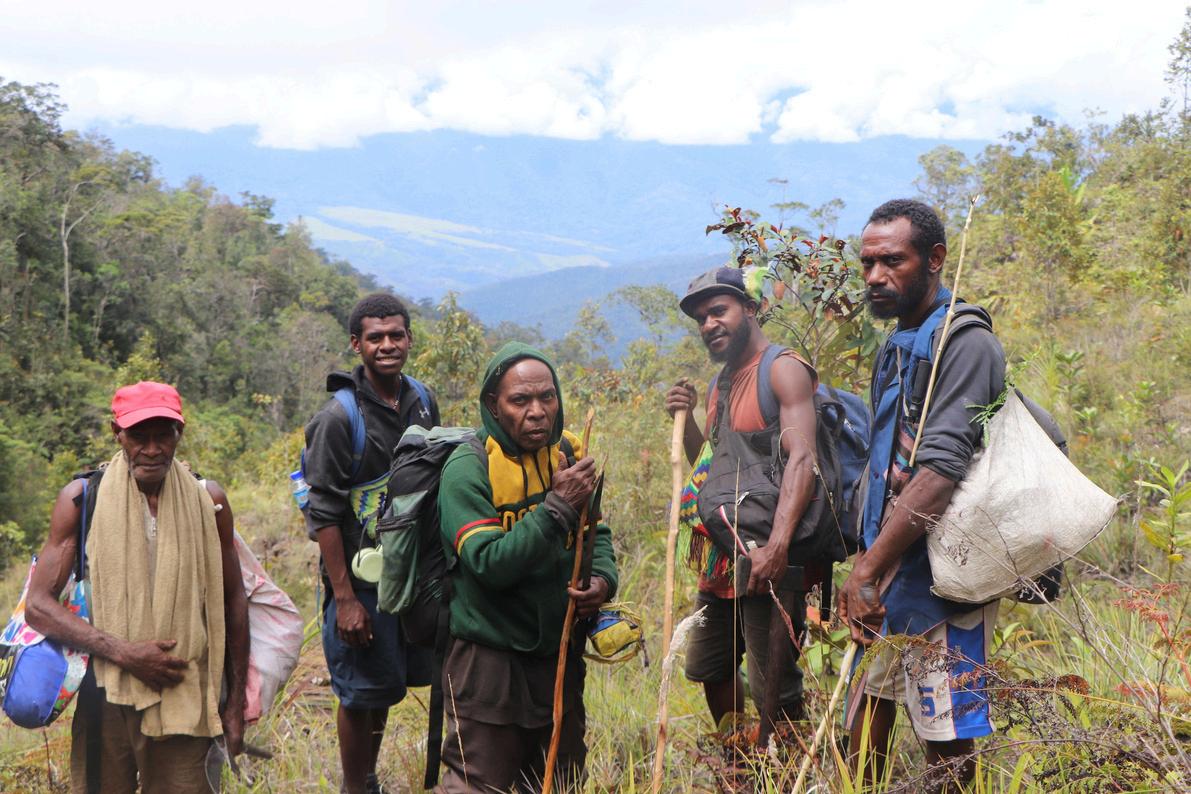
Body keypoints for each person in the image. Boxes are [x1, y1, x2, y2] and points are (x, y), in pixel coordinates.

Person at [838, 199, 1004, 791]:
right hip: (888, 566)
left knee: (946, 739)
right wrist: (868, 561)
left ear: (934, 259)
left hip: (940, 573)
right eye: (867, 263)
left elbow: (938, 471)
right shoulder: (900, 341)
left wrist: (866, 570)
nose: (875, 276)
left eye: (892, 261)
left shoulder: (965, 342)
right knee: (862, 717)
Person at [26, 380, 249, 794]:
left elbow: (233, 601)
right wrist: (124, 653)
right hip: (104, 697)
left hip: (186, 694)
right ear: (118, 434)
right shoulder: (82, 500)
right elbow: (37, 605)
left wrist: (235, 706)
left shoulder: (208, 502)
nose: (152, 449)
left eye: (163, 435)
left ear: (179, 433)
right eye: (138, 437)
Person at [434, 342, 618, 793]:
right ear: (494, 405)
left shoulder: (568, 453)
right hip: (489, 659)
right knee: (480, 783)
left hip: (558, 654)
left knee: (559, 779)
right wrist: (557, 507)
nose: (538, 412)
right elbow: (489, 564)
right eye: (520, 400)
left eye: (547, 397)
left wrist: (601, 580)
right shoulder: (468, 468)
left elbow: (594, 533)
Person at [665, 266, 820, 732]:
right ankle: (736, 759)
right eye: (701, 318)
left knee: (773, 685)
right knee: (709, 666)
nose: (709, 324)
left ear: (750, 309)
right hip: (724, 554)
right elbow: (713, 467)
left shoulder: (783, 369)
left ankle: (782, 761)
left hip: (768, 554)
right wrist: (687, 420)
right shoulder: (721, 384)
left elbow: (803, 460)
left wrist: (778, 547)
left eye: (719, 311)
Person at [303, 293, 440, 794]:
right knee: (359, 694)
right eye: (375, 337)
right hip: (361, 583)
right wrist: (344, 599)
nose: (387, 345)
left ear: (409, 339)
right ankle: (354, 787)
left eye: (396, 335)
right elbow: (323, 513)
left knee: (383, 686)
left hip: (411, 572)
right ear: (356, 344)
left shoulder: (421, 399)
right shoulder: (338, 420)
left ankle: (369, 778)